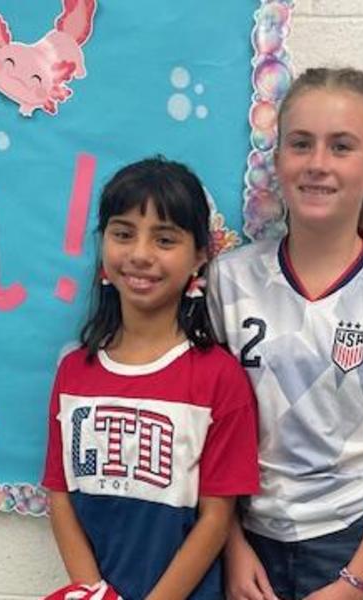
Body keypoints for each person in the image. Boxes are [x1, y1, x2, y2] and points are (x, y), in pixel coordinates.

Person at [208, 67, 363, 600]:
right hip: (247, 542)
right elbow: (210, 436)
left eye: (341, 146)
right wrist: (231, 547)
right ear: (277, 162)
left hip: (356, 547)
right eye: (301, 144)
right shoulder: (228, 281)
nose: (318, 164)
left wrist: (355, 583)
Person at [42, 157, 261, 600]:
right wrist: (94, 593)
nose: (140, 254)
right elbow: (60, 495)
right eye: (123, 234)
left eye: (164, 239)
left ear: (200, 256)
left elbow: (216, 518)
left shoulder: (220, 378)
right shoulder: (74, 373)